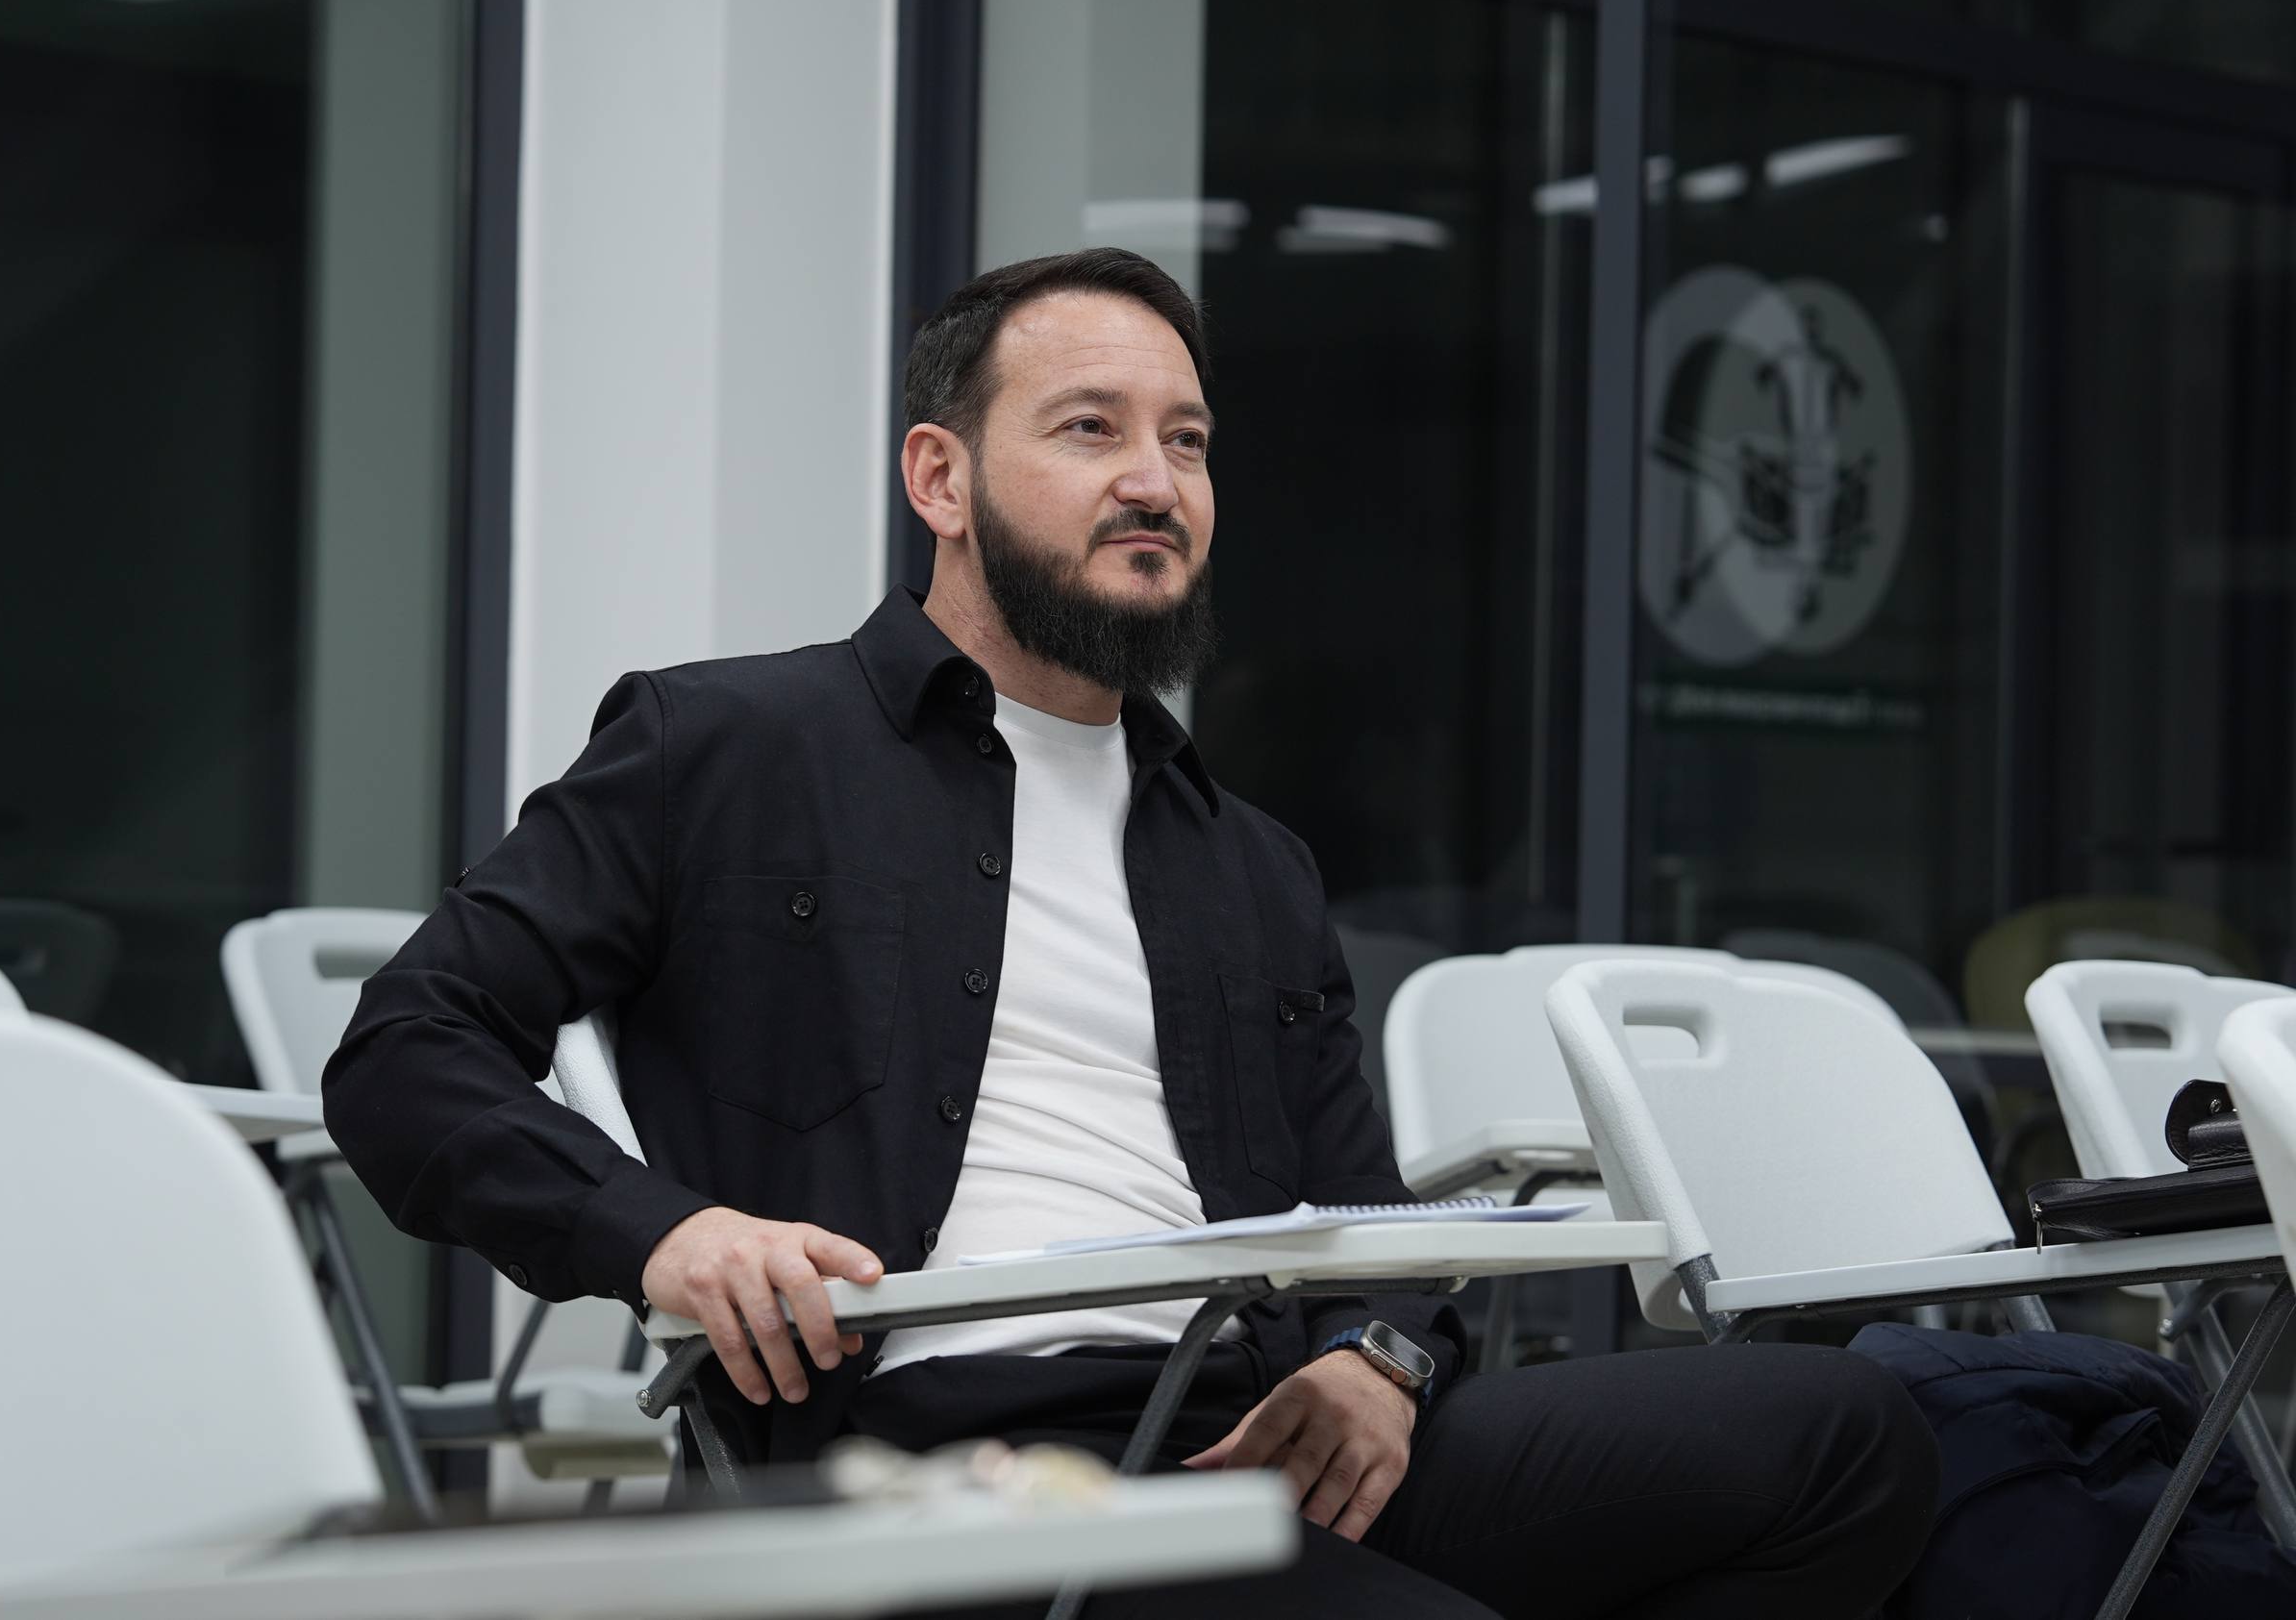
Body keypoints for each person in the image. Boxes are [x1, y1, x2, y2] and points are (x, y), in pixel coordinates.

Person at [324, 247, 1936, 1618]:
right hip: (960, 1460)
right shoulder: (727, 748)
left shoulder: (1247, 860)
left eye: (1188, 440)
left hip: (1259, 1429)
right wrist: (666, 1234)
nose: (1156, 481)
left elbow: (1372, 1219)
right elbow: (405, 1050)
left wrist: (1377, 1359)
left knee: (1847, 1434)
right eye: (1090, 428)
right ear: (940, 479)